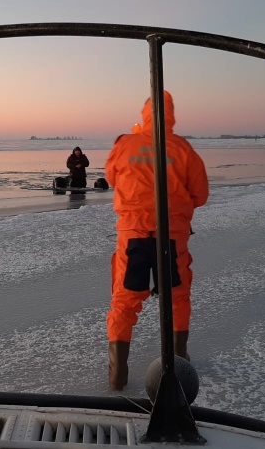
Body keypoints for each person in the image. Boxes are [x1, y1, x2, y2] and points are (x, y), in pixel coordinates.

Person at [104, 91, 209, 391]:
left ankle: (117, 373)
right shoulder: (183, 148)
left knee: (124, 301)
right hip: (172, 236)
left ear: (144, 114)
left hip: (133, 234)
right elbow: (200, 195)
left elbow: (112, 177)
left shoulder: (125, 144)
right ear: (171, 114)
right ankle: (178, 359)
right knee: (176, 298)